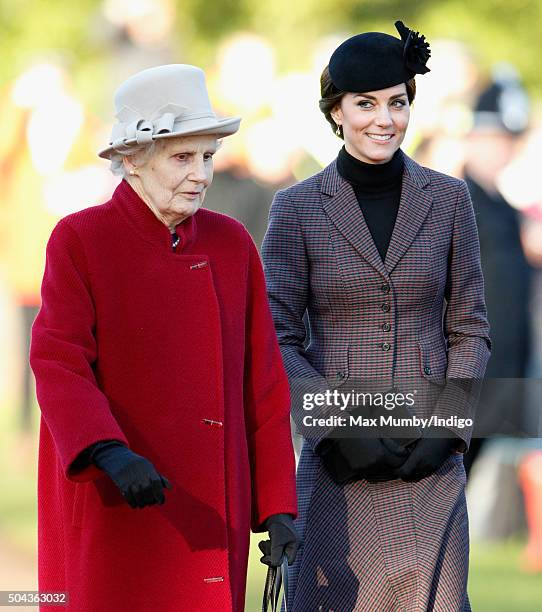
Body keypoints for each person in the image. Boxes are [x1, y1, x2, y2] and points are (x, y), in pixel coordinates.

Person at [30, 64, 298, 612]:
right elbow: (58, 361)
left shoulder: (232, 243)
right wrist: (107, 450)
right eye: (182, 157)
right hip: (114, 500)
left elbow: (264, 384)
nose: (201, 174)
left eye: (207, 157)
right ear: (132, 159)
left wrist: (277, 507)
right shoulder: (80, 239)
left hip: (210, 510)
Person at [262, 22, 490, 610]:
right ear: (335, 111)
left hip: (429, 469)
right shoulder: (296, 208)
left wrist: (447, 429)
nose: (384, 119)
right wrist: (336, 425)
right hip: (339, 468)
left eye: (398, 102)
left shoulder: (448, 199)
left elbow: (469, 328)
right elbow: (275, 335)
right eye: (366, 104)